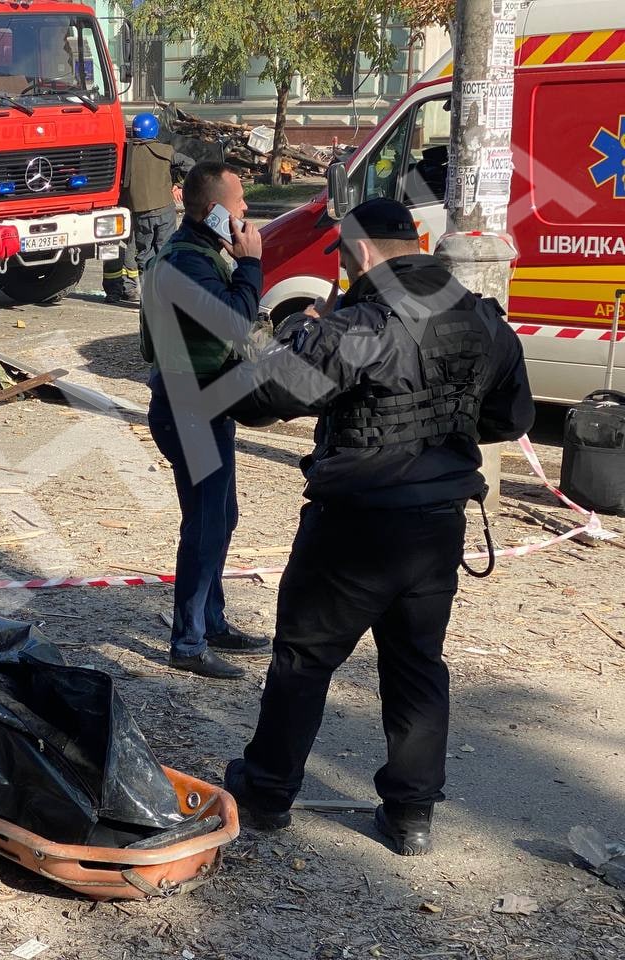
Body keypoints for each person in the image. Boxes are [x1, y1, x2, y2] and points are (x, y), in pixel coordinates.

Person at [222, 197, 536, 855]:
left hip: (354, 527)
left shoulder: (357, 327)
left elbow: (255, 400)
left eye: (343, 257)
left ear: (361, 253)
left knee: (304, 659)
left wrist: (291, 331)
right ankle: (411, 817)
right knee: (417, 667)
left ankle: (267, 794)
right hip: (437, 527)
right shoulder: (484, 320)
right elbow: (511, 418)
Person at [139, 162, 271, 679]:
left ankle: (211, 622)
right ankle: (189, 642)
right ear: (214, 210)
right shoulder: (186, 263)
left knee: (221, 517)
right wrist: (251, 264)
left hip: (203, 406)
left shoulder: (198, 253)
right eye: (239, 202)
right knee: (205, 525)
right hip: (187, 410)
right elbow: (233, 321)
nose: (246, 211)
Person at [103, 114, 193, 305]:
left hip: (138, 212)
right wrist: (179, 184)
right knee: (165, 250)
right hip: (164, 210)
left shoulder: (125, 153)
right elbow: (190, 165)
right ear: (154, 130)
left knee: (143, 253)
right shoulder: (165, 151)